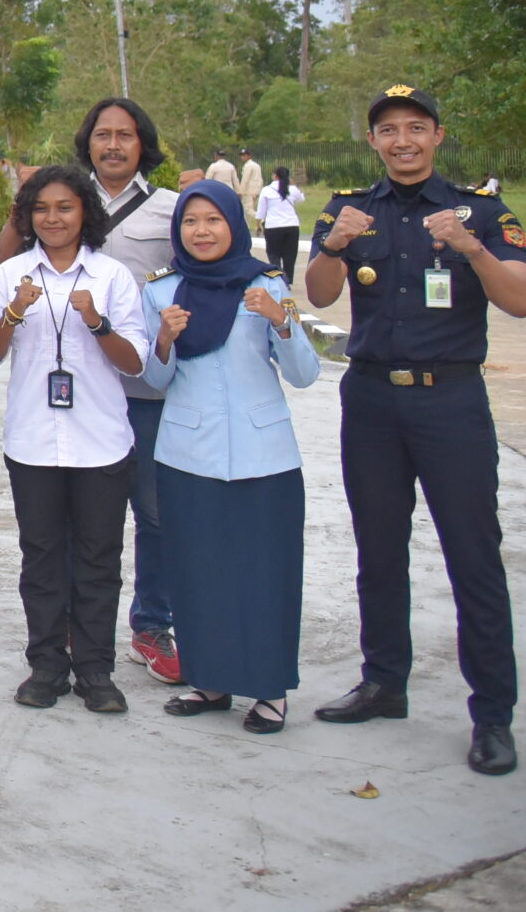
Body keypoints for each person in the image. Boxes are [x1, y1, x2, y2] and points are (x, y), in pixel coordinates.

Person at [308, 86, 524, 777]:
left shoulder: (483, 212)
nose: (402, 140)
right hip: (371, 397)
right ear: (372, 140)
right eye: (388, 130)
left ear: (437, 134)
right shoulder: (351, 208)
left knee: (473, 553)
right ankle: (384, 681)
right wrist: (335, 245)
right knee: (378, 545)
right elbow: (315, 292)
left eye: (416, 128)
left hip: (450, 401)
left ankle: (492, 712)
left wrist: (470, 248)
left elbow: (518, 298)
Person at [1, 99, 186, 687]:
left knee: (144, 519)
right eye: (102, 135)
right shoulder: (61, 199)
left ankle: (148, 625)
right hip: (57, 398)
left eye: (124, 135)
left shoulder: (171, 209)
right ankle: (51, 661)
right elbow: (3, 288)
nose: (113, 145)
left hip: (138, 387)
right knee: (49, 545)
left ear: (142, 142)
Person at [143, 180, 321, 735]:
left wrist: (280, 320)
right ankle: (210, 681)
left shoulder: (267, 282)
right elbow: (154, 378)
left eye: (213, 220)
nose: (201, 231)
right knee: (197, 570)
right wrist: (164, 340)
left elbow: (304, 374)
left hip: (263, 454)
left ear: (234, 225)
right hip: (187, 453)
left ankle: (269, 690)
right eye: (191, 221)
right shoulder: (162, 290)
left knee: (267, 571)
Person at [0, 165, 152, 714]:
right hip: (33, 441)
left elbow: (135, 361)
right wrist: (12, 312)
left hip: (100, 440)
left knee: (99, 557)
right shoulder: (11, 275)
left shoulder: (112, 276)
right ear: (29, 216)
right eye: (42, 209)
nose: (53, 218)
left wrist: (98, 323)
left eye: (65, 208)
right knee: (42, 556)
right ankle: (47, 665)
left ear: (85, 214)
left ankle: (96, 670)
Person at [256, 167, 304, 284]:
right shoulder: (292, 189)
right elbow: (301, 199)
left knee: (273, 253)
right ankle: (288, 279)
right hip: (291, 226)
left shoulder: (266, 190)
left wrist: (258, 225)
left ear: (275, 175)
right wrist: (292, 184)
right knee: (290, 254)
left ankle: (278, 277)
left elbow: (261, 211)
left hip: (273, 226)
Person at [237, 150, 265, 229]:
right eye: (242, 155)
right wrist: (259, 190)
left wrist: (240, 192)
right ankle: (247, 226)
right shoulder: (256, 165)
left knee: (248, 209)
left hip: (249, 191)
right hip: (256, 190)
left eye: (244, 155)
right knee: (249, 209)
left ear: (249, 156)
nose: (243, 157)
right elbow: (260, 179)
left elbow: (245, 179)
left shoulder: (248, 166)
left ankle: (263, 220)